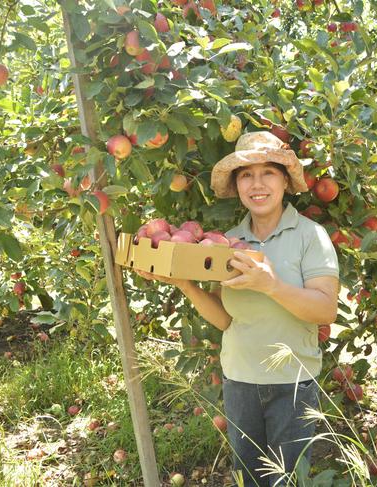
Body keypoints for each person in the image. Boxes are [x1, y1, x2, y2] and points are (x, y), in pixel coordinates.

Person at [136, 131, 339, 486]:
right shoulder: (227, 243)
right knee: (248, 477)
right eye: (246, 174)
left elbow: (325, 311)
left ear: (284, 181)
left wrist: (271, 286)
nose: (257, 184)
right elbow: (226, 319)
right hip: (240, 382)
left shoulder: (311, 236)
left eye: (268, 173)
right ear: (236, 184)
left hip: (293, 384)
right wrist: (184, 282)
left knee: (289, 480)